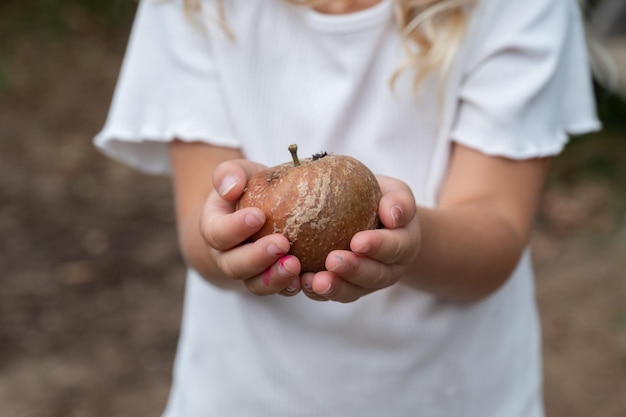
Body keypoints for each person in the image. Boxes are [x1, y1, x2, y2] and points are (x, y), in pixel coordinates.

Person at [95, 0, 600, 415]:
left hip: (451, 393)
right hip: (244, 394)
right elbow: (196, 227)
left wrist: (409, 241)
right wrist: (224, 240)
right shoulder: (193, 7)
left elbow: (496, 231)